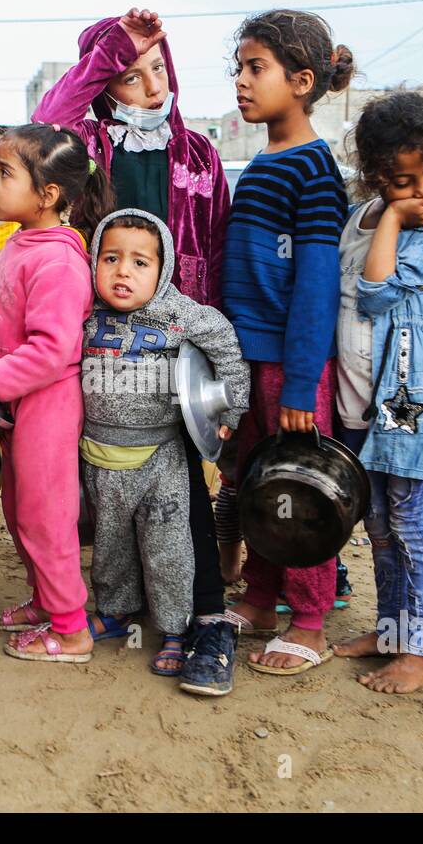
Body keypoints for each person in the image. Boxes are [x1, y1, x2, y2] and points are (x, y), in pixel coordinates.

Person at [32, 7, 241, 688]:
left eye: (157, 67)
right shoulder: (89, 146)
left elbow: (213, 248)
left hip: (177, 349)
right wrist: (114, 45)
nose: (150, 85)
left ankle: (199, 620)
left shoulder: (199, 154)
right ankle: (118, 606)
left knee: (179, 490)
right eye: (127, 74)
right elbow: (49, 122)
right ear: (103, 86)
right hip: (105, 343)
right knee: (108, 497)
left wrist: (210, 352)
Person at [0, 123, 107, 663]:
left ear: (49, 194)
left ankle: (71, 628)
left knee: (45, 516)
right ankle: (45, 602)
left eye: (6, 173)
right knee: (18, 507)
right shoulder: (25, 242)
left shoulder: (58, 260)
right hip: (18, 403)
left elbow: (51, 351)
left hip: (47, 406)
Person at [218, 9, 354, 675]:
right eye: (238, 67)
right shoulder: (263, 161)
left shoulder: (313, 170)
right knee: (256, 482)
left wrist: (302, 381)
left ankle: (308, 618)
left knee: (302, 490)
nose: (241, 82)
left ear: (302, 81)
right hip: (247, 359)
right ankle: (263, 594)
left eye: (255, 68)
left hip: (289, 366)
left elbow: (317, 284)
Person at [79, 209, 250, 689]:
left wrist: (230, 412)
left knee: (167, 550)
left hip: (162, 459)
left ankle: (175, 630)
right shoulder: (85, 313)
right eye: (111, 258)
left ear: (165, 268)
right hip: (100, 454)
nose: (123, 272)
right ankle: (114, 612)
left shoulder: (180, 315)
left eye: (140, 263)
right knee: (110, 545)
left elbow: (226, 349)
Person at [330, 91, 423, 694]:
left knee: (410, 520)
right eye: (404, 181)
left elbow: (380, 291)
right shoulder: (357, 217)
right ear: (378, 175)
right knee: (378, 521)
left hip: (407, 396)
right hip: (361, 396)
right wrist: (382, 215)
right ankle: (390, 632)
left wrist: (392, 217)